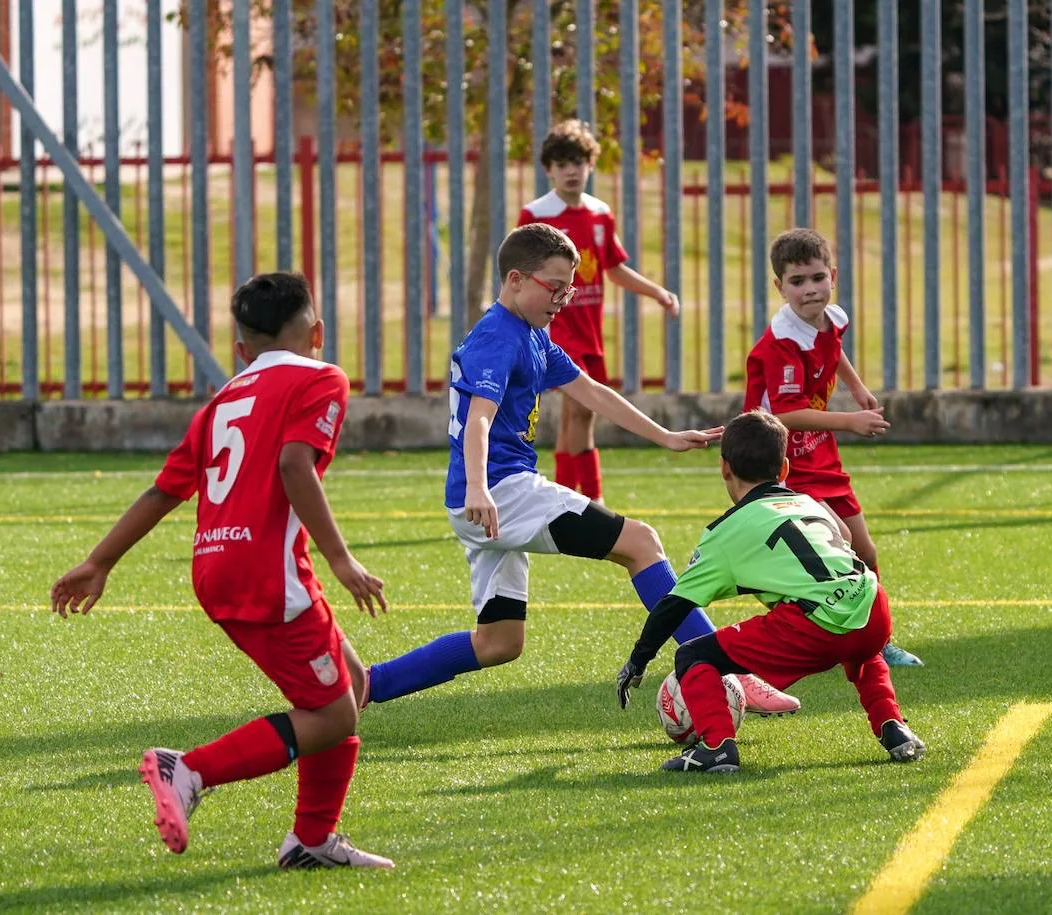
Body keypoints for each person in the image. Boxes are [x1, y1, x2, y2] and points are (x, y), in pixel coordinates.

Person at [361, 224, 799, 716]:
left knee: (498, 642)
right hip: (499, 493)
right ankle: (730, 671)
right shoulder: (498, 338)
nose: (563, 299)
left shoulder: (530, 334)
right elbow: (478, 420)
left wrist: (666, 436)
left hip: (483, 500)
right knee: (641, 543)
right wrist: (482, 487)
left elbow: (591, 391)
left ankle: (365, 685)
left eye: (568, 288)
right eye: (554, 287)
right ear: (515, 279)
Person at [49, 273, 394, 870]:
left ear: (242, 349)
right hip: (269, 572)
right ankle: (189, 770)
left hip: (215, 567)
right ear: (317, 332)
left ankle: (312, 841)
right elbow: (294, 464)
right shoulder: (321, 376)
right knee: (334, 714)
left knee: (351, 685)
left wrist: (99, 561)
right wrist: (342, 557)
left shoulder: (224, 399)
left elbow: (165, 491)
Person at [616, 410, 926, 773]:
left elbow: (674, 605)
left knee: (693, 656)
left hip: (813, 626)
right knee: (861, 645)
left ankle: (716, 747)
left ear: (724, 469)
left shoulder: (726, 533)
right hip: (872, 605)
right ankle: (894, 728)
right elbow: (843, 541)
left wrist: (638, 660)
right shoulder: (809, 502)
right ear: (784, 470)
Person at [743, 227, 923, 668]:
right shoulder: (782, 343)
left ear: (833, 276)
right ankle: (798, 642)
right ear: (779, 287)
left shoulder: (832, 319)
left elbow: (833, 349)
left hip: (820, 456)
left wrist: (857, 387)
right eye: (797, 282)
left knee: (865, 552)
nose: (809, 290)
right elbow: (783, 416)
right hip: (776, 465)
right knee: (829, 552)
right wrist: (850, 421)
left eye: (817, 278)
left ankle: (875, 642)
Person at [517, 119, 680, 503]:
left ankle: (565, 496)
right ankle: (587, 498)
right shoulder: (536, 215)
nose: (571, 170)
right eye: (561, 163)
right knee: (581, 406)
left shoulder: (599, 214)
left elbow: (613, 268)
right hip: (556, 329)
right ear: (548, 170)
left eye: (578, 162)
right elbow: (520, 273)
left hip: (589, 328)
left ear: (590, 165)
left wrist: (657, 292)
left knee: (582, 413)